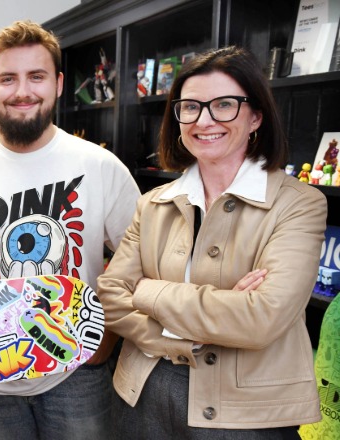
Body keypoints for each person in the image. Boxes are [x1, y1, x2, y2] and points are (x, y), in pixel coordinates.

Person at [0, 20, 140, 439]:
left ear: (59, 83)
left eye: (37, 76)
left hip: (77, 371)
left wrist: (105, 338)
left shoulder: (100, 166)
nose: (22, 91)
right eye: (7, 79)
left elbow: (139, 261)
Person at [97, 45, 325, 438]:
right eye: (190, 107)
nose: (205, 120)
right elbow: (111, 297)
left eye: (224, 105)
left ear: (256, 116)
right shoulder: (153, 203)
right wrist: (208, 320)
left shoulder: (299, 203)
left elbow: (260, 317)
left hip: (246, 413)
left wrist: (150, 292)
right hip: (142, 393)